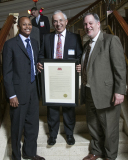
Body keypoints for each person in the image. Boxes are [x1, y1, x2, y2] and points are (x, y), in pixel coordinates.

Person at [81, 13, 126, 160]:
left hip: (107, 93)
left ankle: (110, 156)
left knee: (109, 128)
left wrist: (120, 91)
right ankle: (96, 151)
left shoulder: (111, 40)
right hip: (89, 91)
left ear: (98, 23)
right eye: (85, 24)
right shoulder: (86, 44)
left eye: (90, 23)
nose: (88, 27)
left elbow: (120, 68)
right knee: (93, 125)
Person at [37, 10, 82, 145]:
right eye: (55, 21)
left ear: (66, 22)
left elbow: (80, 56)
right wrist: (39, 63)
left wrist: (79, 64)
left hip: (68, 79)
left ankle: (69, 134)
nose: (58, 24)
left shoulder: (75, 38)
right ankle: (53, 135)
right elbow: (40, 55)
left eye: (61, 20)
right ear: (52, 23)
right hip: (52, 80)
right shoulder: (46, 38)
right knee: (52, 108)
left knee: (69, 108)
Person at [3, 16, 45, 160]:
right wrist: (11, 95)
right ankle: (16, 156)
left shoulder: (34, 42)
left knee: (33, 125)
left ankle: (30, 153)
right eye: (24, 25)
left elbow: (31, 63)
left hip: (33, 89)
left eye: (29, 24)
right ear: (19, 26)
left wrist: (37, 67)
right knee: (16, 127)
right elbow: (7, 73)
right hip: (18, 92)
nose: (27, 27)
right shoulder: (10, 45)